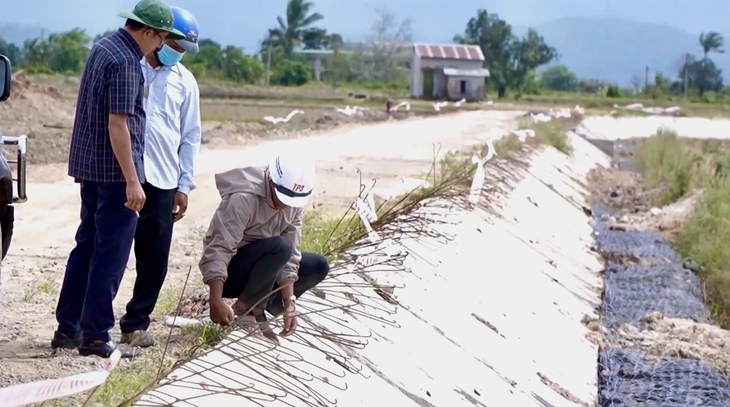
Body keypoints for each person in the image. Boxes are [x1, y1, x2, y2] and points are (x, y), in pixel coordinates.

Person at [51, 0, 185, 359]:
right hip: (114, 175)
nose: (159, 47)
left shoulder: (102, 47)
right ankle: (96, 335)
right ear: (147, 32)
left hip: (90, 168)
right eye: (159, 40)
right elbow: (118, 123)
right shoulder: (127, 62)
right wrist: (132, 180)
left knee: (87, 247)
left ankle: (68, 328)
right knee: (111, 254)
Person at [118, 6, 202, 349]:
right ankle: (86, 321)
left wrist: (184, 185)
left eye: (183, 52)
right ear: (159, 36)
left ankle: (135, 324)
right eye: (175, 46)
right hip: (126, 175)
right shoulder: (130, 67)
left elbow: (190, 135)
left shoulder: (185, 82)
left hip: (163, 180)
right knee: (111, 249)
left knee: (155, 259)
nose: (178, 54)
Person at [198, 153, 330, 341]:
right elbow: (219, 248)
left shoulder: (294, 202)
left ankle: (261, 309)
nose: (285, 204)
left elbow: (292, 254)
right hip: (232, 275)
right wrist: (215, 300)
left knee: (318, 265)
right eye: (282, 197)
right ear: (272, 181)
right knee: (280, 246)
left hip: (267, 268)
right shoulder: (243, 197)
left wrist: (289, 302)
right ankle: (249, 312)